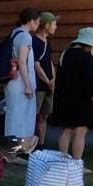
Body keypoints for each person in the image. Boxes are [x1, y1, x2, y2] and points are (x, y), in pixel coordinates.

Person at [50, 28, 93, 163]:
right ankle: (76, 163)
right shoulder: (87, 57)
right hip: (82, 99)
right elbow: (90, 81)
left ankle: (62, 161)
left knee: (67, 129)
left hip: (65, 97)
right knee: (81, 131)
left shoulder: (65, 54)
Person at [2, 8, 41, 143]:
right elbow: (22, 62)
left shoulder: (14, 33)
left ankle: (12, 147)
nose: (38, 25)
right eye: (37, 21)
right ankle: (18, 148)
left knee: (13, 116)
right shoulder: (25, 36)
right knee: (21, 118)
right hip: (20, 83)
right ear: (31, 21)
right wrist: (28, 85)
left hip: (13, 81)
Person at [32, 13, 58, 146]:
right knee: (34, 116)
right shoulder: (34, 41)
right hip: (38, 86)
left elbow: (50, 62)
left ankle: (41, 145)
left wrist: (53, 79)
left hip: (48, 86)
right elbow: (36, 65)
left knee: (44, 115)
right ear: (47, 25)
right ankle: (30, 145)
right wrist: (47, 81)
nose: (55, 27)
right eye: (54, 24)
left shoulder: (48, 43)